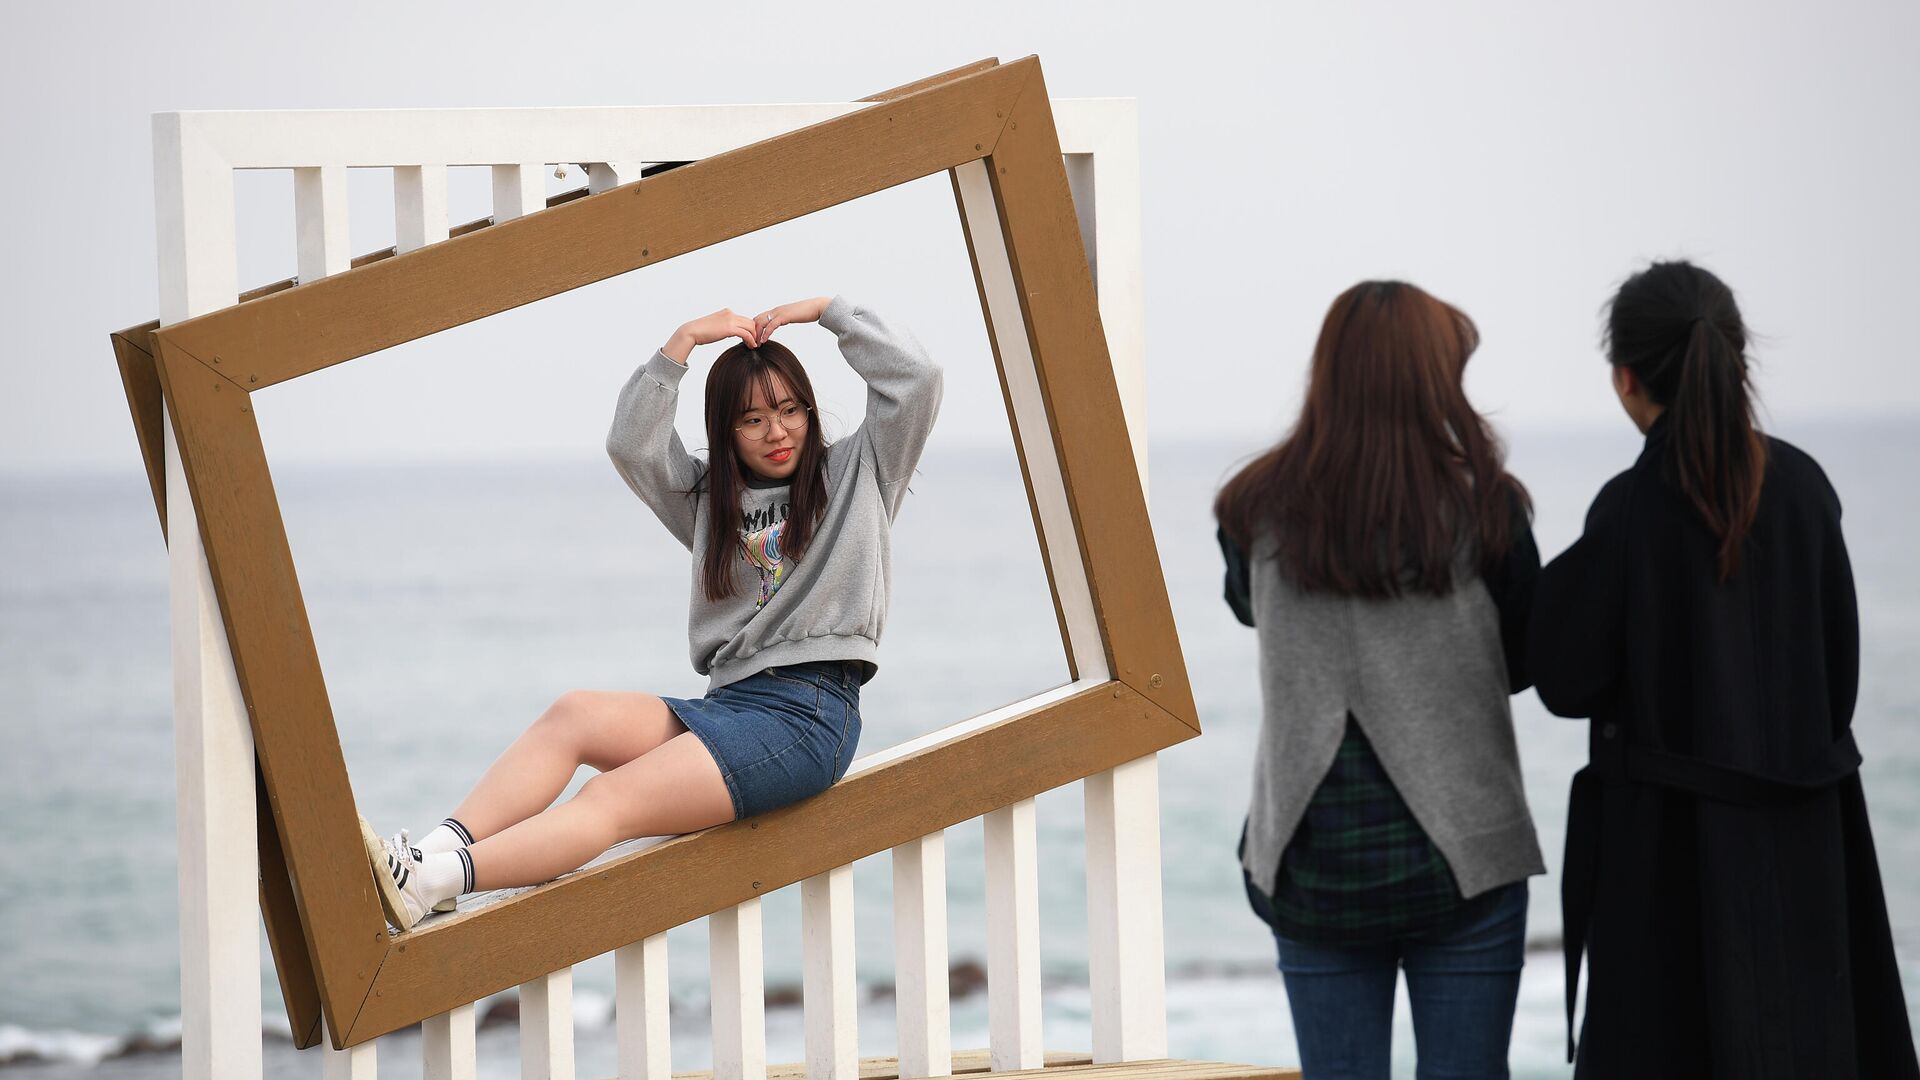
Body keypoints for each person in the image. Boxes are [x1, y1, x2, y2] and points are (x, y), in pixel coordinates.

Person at [359, 295, 943, 931]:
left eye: (788, 410)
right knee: (574, 715)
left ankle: (430, 883)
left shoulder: (859, 471)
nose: (776, 432)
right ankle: (431, 856)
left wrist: (825, 310)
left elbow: (916, 379)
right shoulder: (709, 504)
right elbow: (632, 444)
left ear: (807, 410)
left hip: (809, 715)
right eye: (752, 420)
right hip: (731, 707)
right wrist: (682, 342)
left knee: (611, 799)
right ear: (726, 433)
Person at [1532, 261, 1917, 1078]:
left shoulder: (1631, 508)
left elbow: (1561, 678)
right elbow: (1836, 682)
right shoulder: (1806, 488)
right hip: (1807, 844)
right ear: (1735, 358)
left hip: (1665, 861)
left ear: (1625, 378)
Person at [1216, 281, 1544, 1079]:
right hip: (1464, 855)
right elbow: (1526, 662)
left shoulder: (1252, 507)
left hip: (1312, 854)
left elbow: (1251, 612)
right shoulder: (1487, 505)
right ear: (1433, 379)